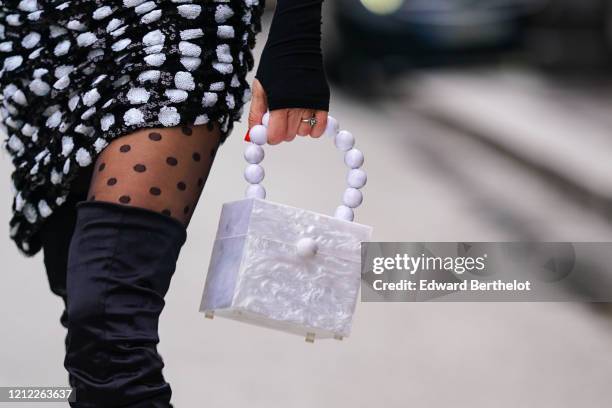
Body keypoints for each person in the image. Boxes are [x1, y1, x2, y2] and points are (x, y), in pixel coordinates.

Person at [0, 0, 330, 406]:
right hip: (42, 32)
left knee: (106, 319)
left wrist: (295, 34)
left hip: (179, 25)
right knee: (84, 318)